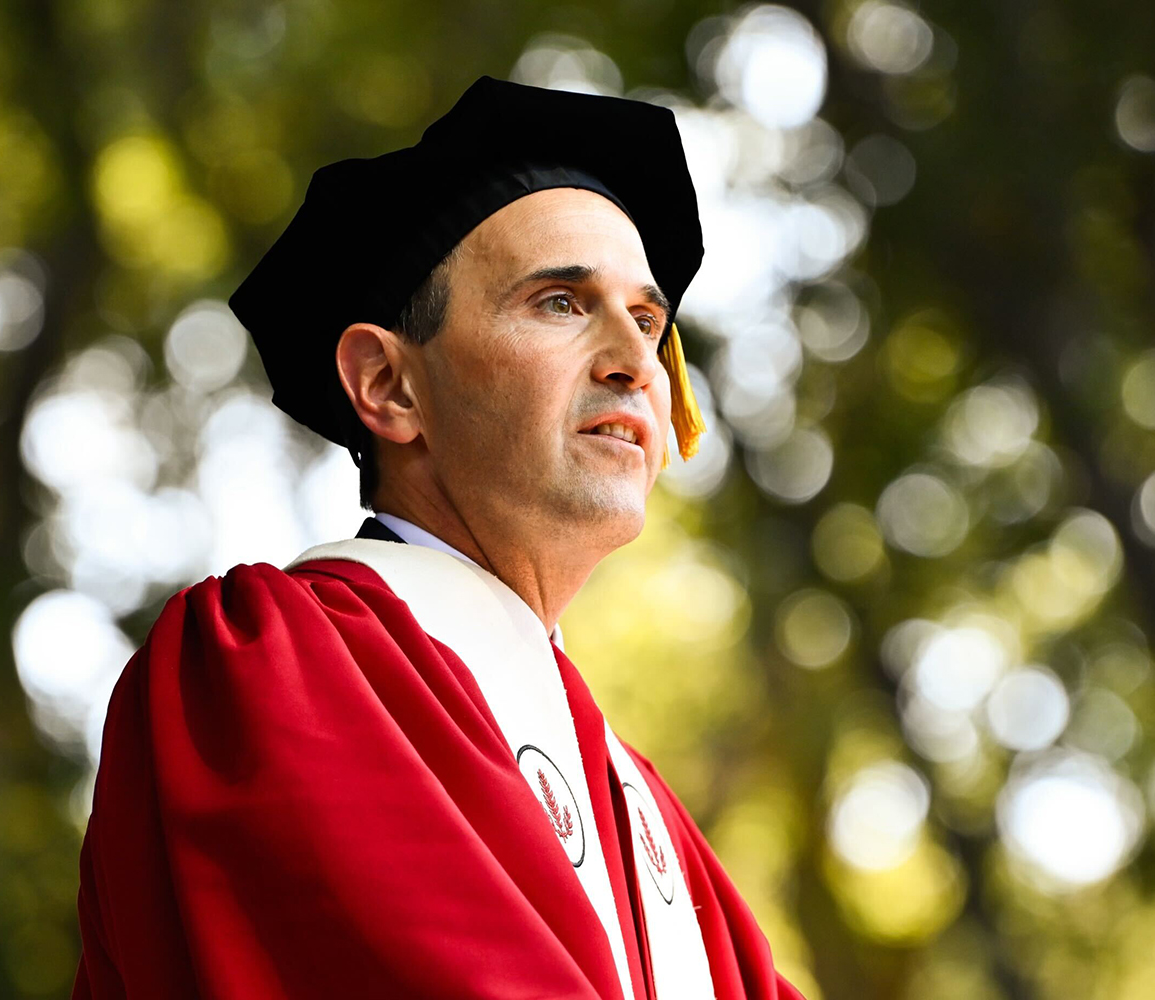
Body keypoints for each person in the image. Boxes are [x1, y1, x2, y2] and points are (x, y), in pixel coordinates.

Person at [71, 74, 806, 1000]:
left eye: (650, 320)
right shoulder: (268, 663)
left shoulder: (653, 825)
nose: (635, 362)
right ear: (389, 386)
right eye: (561, 303)